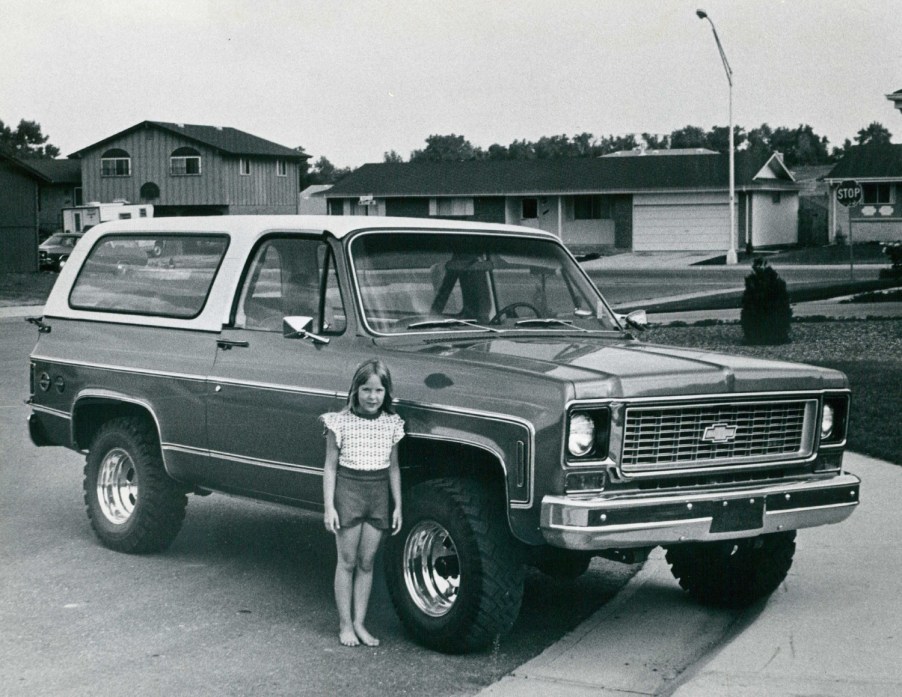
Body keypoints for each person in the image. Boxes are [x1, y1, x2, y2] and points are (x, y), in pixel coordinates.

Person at [321, 358, 404, 647]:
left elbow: (393, 468)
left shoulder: (392, 424)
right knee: (347, 561)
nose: (372, 397)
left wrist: (398, 506)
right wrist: (329, 506)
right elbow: (330, 467)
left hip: (378, 495)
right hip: (349, 494)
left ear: (386, 393)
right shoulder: (339, 422)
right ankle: (345, 625)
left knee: (367, 563)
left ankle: (360, 623)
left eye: (379, 391)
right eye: (367, 390)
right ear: (356, 390)